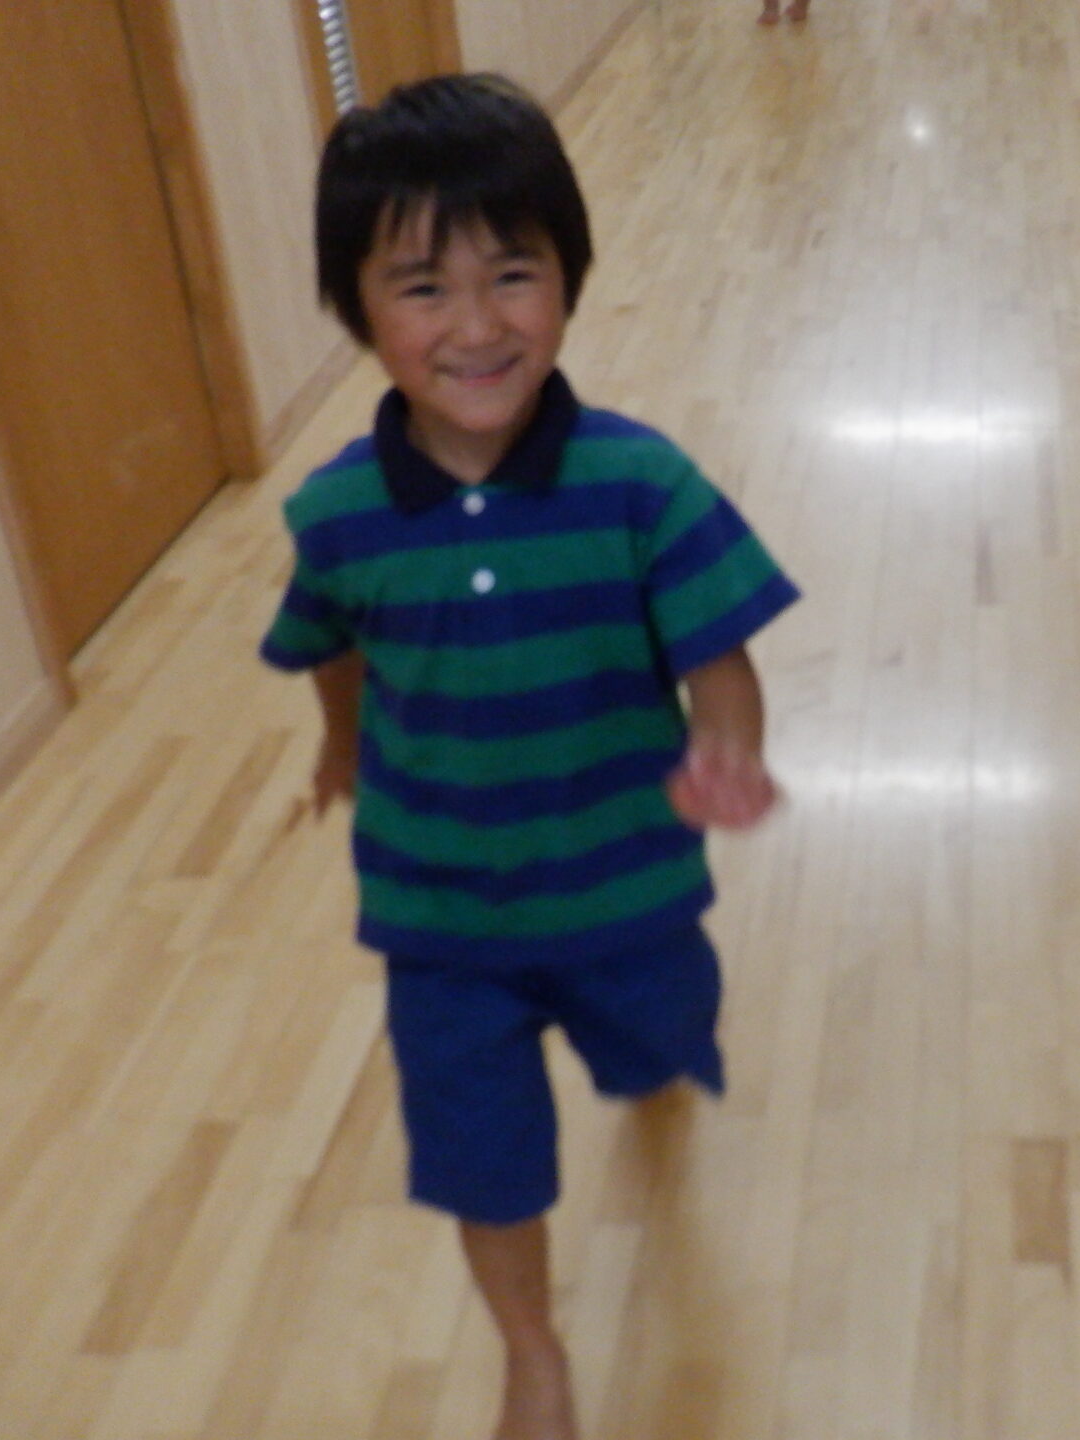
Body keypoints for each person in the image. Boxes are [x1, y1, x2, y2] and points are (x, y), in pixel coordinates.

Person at [259, 72, 798, 1440]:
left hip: (627, 888)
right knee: (483, 1159)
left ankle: (650, 1065)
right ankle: (534, 1353)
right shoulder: (337, 516)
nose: (479, 324)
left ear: (569, 277)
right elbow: (332, 646)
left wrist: (729, 750)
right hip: (441, 919)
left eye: (515, 274)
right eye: (423, 288)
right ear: (357, 310)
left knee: (663, 1040)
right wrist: (340, 746)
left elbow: (719, 653)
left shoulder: (638, 483)